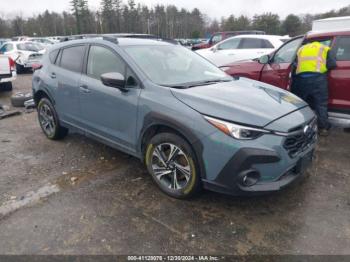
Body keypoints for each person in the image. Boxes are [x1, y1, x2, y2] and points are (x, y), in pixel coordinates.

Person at [292, 41, 337, 136]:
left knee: (302, 105)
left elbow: (295, 64)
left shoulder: (301, 49)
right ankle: (323, 128)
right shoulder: (324, 48)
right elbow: (332, 64)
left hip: (301, 79)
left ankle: (300, 127)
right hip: (318, 79)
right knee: (320, 104)